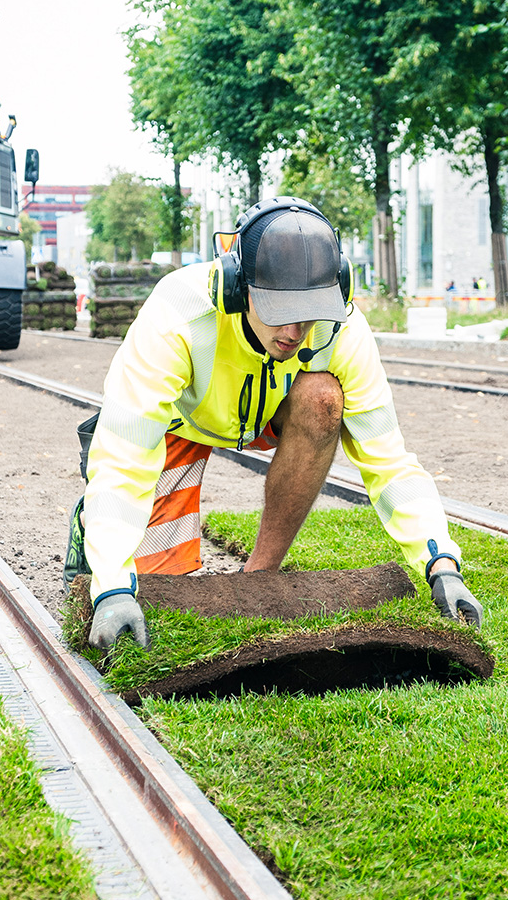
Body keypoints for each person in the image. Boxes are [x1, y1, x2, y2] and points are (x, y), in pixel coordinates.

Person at [70, 195, 483, 650]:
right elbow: (126, 455)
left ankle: (260, 576)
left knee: (323, 396)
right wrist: (111, 586)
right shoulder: (177, 316)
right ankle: (88, 525)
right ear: (236, 287)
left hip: (269, 413)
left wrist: (441, 563)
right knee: (156, 591)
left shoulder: (341, 327)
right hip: (178, 423)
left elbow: (390, 460)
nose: (294, 331)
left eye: (309, 315)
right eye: (279, 312)